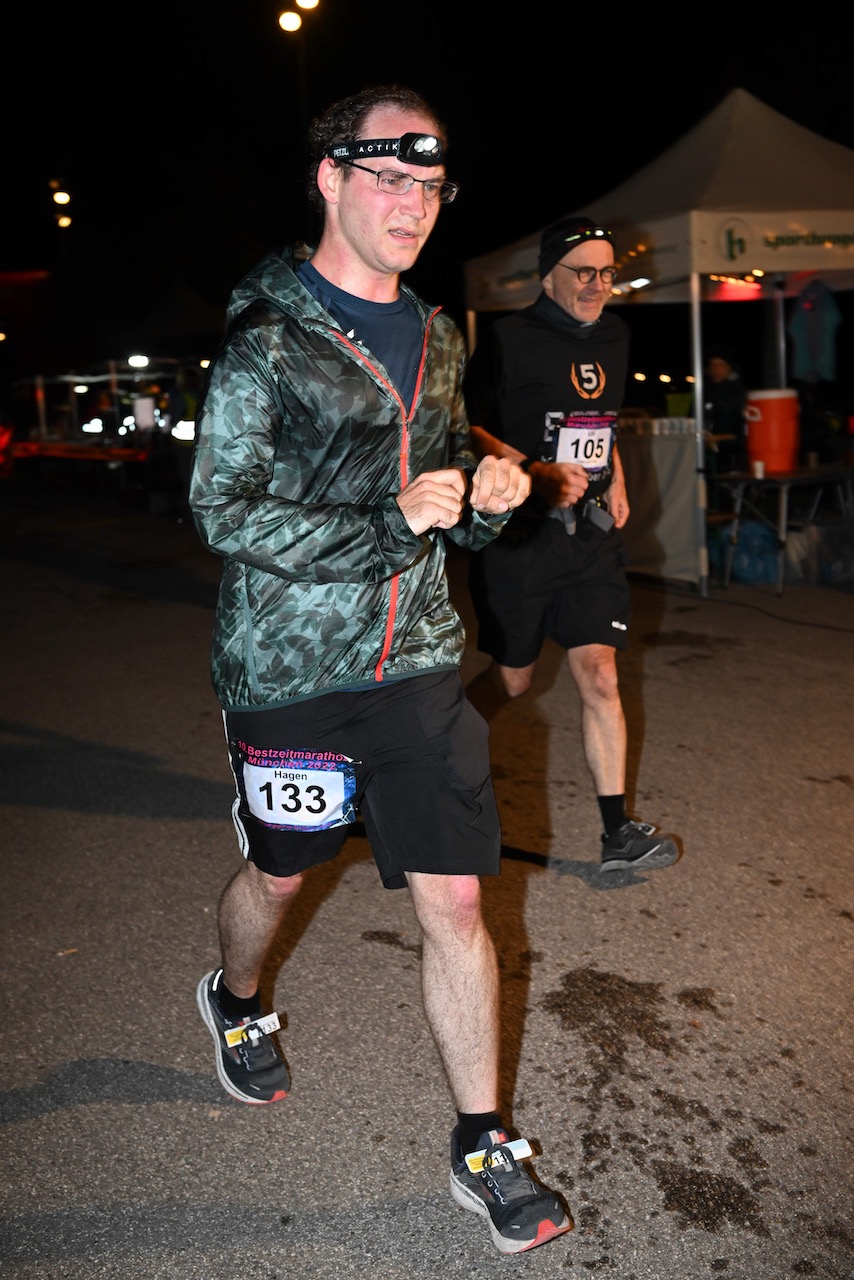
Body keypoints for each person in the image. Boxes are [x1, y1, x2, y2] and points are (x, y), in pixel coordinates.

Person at [188, 84, 573, 1257]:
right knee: (285, 872)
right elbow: (221, 506)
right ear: (331, 179)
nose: (414, 206)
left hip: (411, 658)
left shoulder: (436, 332)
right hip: (290, 667)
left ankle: (480, 1138)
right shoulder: (265, 339)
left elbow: (440, 477)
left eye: (430, 185)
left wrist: (486, 501)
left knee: (456, 894)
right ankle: (237, 1001)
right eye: (390, 180)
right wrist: (391, 525)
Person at [462, 215, 679, 875]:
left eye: (606, 272)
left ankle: (618, 833)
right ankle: (421, 755)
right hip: (521, 536)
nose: (596, 284)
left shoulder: (616, 335)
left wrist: (611, 477)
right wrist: (532, 473)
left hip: (588, 537)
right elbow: (464, 426)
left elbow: (599, 421)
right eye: (582, 271)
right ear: (548, 273)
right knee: (514, 679)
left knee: (600, 673)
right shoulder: (506, 338)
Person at [703, 345, 747, 474]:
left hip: (731, 456)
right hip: (706, 453)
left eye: (721, 365)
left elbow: (742, 432)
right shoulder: (704, 390)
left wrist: (718, 438)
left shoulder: (739, 392)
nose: (715, 369)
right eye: (712, 365)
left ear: (729, 368)